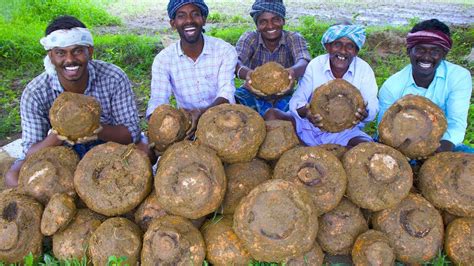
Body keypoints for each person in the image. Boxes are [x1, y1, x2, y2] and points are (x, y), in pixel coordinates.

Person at [4, 15, 140, 187]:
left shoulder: (113, 77)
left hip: (108, 144)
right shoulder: (35, 92)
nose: (70, 60)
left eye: (77, 51)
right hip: (60, 150)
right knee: (13, 177)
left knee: (144, 152)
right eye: (61, 52)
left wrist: (96, 130)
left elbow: (132, 132)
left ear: (89, 52)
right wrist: (59, 134)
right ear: (51, 56)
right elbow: (31, 151)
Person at [378, 19, 472, 153]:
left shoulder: (458, 77)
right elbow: (385, 130)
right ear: (409, 51)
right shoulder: (392, 87)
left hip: (444, 144)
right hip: (402, 148)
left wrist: (441, 148)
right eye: (420, 50)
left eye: (435, 51)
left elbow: (456, 123)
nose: (426, 57)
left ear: (444, 54)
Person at [146, 0, 237, 137]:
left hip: (224, 122)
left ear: (204, 19)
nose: (189, 20)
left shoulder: (225, 50)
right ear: (173, 23)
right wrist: (158, 123)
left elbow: (226, 93)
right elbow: (158, 101)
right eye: (181, 16)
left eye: (195, 14)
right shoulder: (163, 59)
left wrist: (202, 113)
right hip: (187, 127)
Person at [281, 23, 378, 148]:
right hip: (310, 128)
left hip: (345, 133)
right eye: (337, 44)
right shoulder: (316, 64)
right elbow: (297, 101)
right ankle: (306, 148)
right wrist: (308, 112)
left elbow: (373, 106)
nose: (343, 51)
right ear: (328, 47)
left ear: (356, 51)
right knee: (273, 115)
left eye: (350, 46)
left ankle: (316, 150)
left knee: (366, 145)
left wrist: (364, 112)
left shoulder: (364, 69)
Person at [234, 0, 311, 116]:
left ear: (283, 21)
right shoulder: (250, 38)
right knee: (234, 107)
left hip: (285, 94)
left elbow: (304, 61)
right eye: (263, 22)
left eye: (275, 20)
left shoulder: (293, 38)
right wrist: (248, 74)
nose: (270, 26)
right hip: (253, 93)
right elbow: (235, 63)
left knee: (302, 110)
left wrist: (291, 73)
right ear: (257, 25)